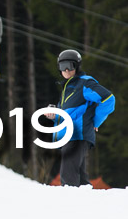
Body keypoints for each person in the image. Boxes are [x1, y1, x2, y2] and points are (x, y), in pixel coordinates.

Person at [44, 49, 115, 186]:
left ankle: (71, 204)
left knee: (68, 173)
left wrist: (96, 121)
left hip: (78, 135)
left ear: (76, 66)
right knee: (80, 177)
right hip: (69, 136)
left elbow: (109, 99)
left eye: (69, 66)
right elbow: (70, 115)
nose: (65, 70)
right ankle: (89, 202)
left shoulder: (84, 84)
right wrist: (54, 115)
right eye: (61, 66)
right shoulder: (68, 89)